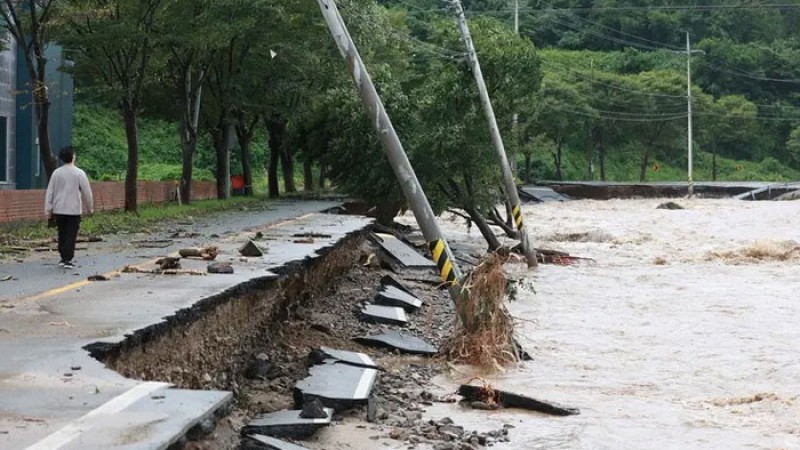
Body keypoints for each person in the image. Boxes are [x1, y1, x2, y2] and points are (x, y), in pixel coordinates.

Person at [45, 146, 94, 269]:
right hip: (74, 210)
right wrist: (90, 207)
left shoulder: (56, 173)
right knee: (71, 234)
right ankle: (68, 258)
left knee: (62, 233)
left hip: (59, 209)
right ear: (73, 157)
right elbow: (87, 192)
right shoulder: (79, 173)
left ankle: (63, 256)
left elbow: (50, 191)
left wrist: (48, 208)